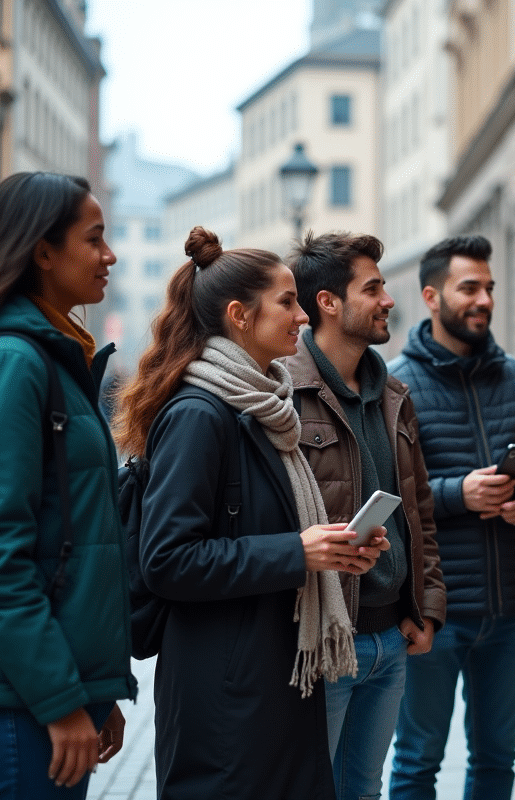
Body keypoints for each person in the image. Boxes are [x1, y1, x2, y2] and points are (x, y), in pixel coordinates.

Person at [113, 227, 388, 799]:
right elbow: (168, 559)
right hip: (227, 697)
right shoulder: (199, 414)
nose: (304, 317)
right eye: (287, 303)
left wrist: (336, 551)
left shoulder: (265, 407)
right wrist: (298, 551)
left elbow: (257, 531)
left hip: (275, 681)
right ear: (239, 315)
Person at [0, 172, 135, 798]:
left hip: (39, 694)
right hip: (14, 704)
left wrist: (95, 693)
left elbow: (71, 535)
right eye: (94, 240)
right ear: (42, 252)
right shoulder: (12, 365)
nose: (109, 255)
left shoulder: (52, 357)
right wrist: (61, 701)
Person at [388, 234, 515, 800]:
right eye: (470, 288)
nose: (484, 299)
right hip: (434, 612)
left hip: (510, 609)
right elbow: (385, 492)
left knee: (496, 760)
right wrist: (455, 494)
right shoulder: (397, 384)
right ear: (432, 297)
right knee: (417, 760)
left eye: (488, 287)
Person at [283, 230, 447, 800]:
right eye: (373, 288)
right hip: (327, 642)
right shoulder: (284, 394)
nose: (388, 300)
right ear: (328, 302)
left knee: (364, 790)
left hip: (390, 641)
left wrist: (424, 606)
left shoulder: (393, 392)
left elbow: (418, 510)